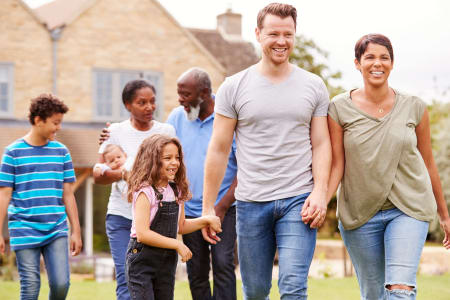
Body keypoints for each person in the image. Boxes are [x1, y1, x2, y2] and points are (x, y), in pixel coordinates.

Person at [201, 3, 332, 299]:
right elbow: (219, 149)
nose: (282, 41)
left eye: (288, 34)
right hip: (251, 202)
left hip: (298, 200)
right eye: (274, 33)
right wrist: (209, 207)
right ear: (258, 34)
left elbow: (322, 143)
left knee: (293, 287)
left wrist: (321, 192)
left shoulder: (313, 86)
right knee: (256, 290)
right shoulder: (233, 87)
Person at [327, 33, 450, 300]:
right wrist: (320, 201)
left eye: (384, 57)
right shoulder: (338, 108)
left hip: (409, 208)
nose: (377, 63)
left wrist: (444, 215)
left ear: (392, 63)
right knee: (374, 294)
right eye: (369, 57)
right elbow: (337, 165)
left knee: (400, 290)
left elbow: (428, 163)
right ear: (357, 63)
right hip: (360, 214)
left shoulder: (414, 107)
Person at [94, 80, 175, 300]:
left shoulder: (166, 131)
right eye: (142, 102)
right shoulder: (114, 131)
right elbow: (98, 174)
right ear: (128, 105)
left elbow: (172, 169)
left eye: (152, 102)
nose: (149, 107)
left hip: (155, 219)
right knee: (126, 278)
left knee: (157, 282)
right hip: (121, 217)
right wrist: (122, 174)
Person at [0, 94, 82, 300]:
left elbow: (68, 194)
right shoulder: (13, 152)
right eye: (55, 123)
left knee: (61, 284)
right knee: (30, 286)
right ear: (38, 120)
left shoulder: (61, 152)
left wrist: (76, 232)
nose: (58, 127)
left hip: (56, 228)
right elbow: (4, 195)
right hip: (24, 227)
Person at [167, 67, 238, 300]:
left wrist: (222, 206)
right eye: (179, 94)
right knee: (195, 270)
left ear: (205, 93)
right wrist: (112, 138)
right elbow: (156, 147)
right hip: (190, 211)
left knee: (223, 264)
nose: (180, 100)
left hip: (224, 209)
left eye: (186, 94)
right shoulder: (177, 118)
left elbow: (245, 169)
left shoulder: (227, 116)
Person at [126, 134, 221, 300]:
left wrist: (205, 220)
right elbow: (142, 234)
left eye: (177, 158)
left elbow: (181, 226)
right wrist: (177, 244)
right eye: (167, 158)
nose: (175, 162)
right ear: (152, 160)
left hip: (166, 263)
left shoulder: (176, 190)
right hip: (142, 261)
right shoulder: (145, 192)